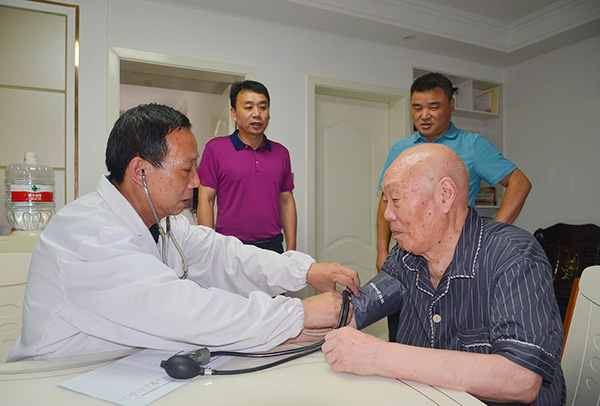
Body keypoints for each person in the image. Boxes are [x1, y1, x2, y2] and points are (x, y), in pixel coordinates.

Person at [8, 103, 360, 362]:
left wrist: (304, 271)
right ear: (140, 172)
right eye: (186, 170)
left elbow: (223, 254)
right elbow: (182, 309)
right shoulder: (87, 236)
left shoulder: (165, 222)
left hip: (124, 369)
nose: (196, 181)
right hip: (54, 381)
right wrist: (297, 314)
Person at [322, 144, 565, 405]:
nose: (388, 214)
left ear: (445, 195)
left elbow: (521, 379)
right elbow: (354, 309)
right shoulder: (406, 257)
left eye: (396, 200)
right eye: (385, 202)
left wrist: (378, 356)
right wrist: (293, 312)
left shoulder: (513, 255)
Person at [376, 72, 532, 342]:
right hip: (407, 254)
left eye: (433, 106)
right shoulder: (401, 149)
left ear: (451, 105)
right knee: (402, 331)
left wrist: (492, 234)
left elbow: (519, 183)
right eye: (417, 107)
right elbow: (385, 202)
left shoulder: (473, 145)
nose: (424, 115)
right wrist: (382, 250)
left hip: (455, 256)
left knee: (451, 331)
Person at [197, 80, 296, 253]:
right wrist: (208, 249)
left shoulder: (281, 153)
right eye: (249, 107)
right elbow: (206, 200)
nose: (257, 114)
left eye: (263, 107)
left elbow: (286, 201)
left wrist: (292, 249)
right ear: (233, 113)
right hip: (229, 248)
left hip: (272, 248)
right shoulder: (215, 149)